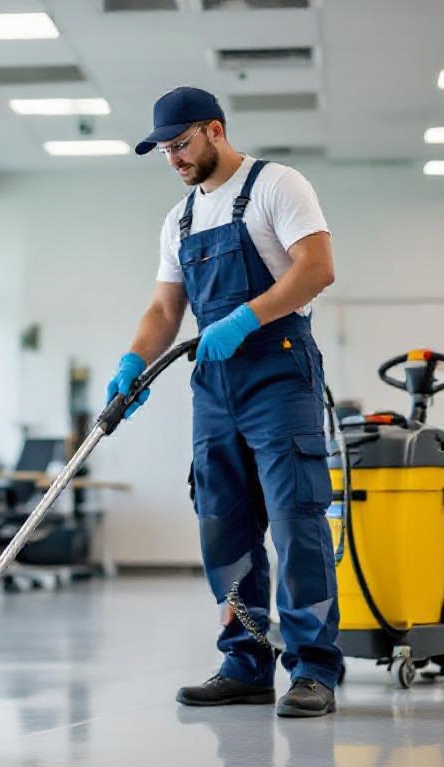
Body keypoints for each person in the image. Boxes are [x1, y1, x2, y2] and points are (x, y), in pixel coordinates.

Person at [107, 86, 343, 717]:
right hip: (214, 386)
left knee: (296, 519)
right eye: (163, 150)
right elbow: (164, 308)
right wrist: (133, 366)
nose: (174, 159)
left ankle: (314, 668)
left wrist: (245, 319)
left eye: (181, 144)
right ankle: (245, 657)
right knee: (223, 525)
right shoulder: (178, 219)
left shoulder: (276, 185)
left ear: (214, 130)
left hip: (279, 369)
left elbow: (316, 268)